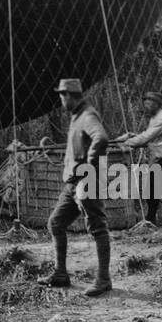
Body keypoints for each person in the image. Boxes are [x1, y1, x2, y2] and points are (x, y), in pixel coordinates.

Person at [38, 77, 112, 297]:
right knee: (56, 223)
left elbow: (101, 138)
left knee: (97, 227)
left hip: (85, 181)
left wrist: (89, 163)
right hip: (72, 184)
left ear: (69, 95)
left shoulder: (88, 115)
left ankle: (104, 279)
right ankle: (60, 273)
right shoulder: (76, 117)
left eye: (62, 96)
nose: (61, 100)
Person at [115, 91, 162, 225]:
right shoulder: (155, 118)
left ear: (157, 104)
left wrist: (126, 143)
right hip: (159, 158)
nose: (147, 107)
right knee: (160, 190)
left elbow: (146, 137)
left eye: (150, 104)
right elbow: (148, 138)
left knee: (158, 190)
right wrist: (132, 137)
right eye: (145, 104)